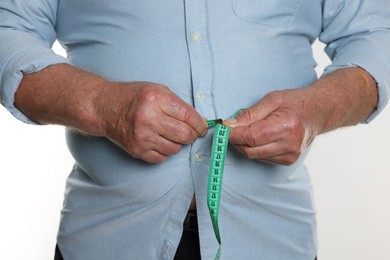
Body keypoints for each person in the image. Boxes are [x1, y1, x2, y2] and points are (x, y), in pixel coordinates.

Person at [1, 1, 389, 259]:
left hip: (273, 240)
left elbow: (377, 35)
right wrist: (101, 104)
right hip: (107, 238)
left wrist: (316, 110)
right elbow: (7, 28)